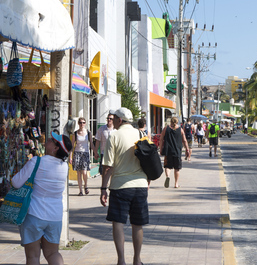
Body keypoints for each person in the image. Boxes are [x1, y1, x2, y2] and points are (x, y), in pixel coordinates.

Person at [12, 132, 72, 265]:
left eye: (52, 140)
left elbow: (16, 182)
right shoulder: (64, 167)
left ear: (56, 148)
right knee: (52, 253)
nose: (48, 140)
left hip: (34, 214)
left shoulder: (36, 161)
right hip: (55, 217)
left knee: (33, 256)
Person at [100, 107, 148, 265]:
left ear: (119, 120)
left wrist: (103, 188)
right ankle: (137, 259)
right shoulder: (141, 134)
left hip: (120, 186)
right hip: (140, 185)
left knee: (118, 223)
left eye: (113, 119)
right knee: (137, 223)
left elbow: (108, 166)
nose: (112, 121)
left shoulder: (114, 136)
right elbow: (148, 160)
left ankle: (121, 260)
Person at [158, 117, 190, 188]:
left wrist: (160, 148)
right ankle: (176, 184)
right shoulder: (180, 130)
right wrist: (187, 149)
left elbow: (161, 138)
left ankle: (168, 176)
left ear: (170, 121)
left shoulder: (166, 128)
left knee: (167, 166)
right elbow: (184, 140)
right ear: (177, 122)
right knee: (177, 168)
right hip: (177, 151)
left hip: (168, 151)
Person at [70, 117, 94, 196]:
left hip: (85, 153)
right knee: (79, 173)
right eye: (80, 122)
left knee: (84, 172)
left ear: (85, 123)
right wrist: (70, 156)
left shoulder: (88, 133)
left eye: (83, 122)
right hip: (77, 153)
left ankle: (85, 186)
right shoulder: (75, 133)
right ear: (78, 123)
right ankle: (80, 191)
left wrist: (95, 153)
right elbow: (72, 145)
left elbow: (91, 144)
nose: (82, 124)